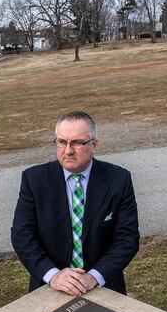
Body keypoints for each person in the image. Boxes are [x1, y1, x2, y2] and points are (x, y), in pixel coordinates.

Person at [11, 111, 139, 296]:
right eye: (62, 142)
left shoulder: (119, 179)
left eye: (78, 142)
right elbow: (22, 235)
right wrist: (54, 276)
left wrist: (94, 277)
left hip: (103, 286)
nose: (68, 150)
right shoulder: (34, 179)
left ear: (94, 145)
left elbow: (127, 239)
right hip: (50, 287)